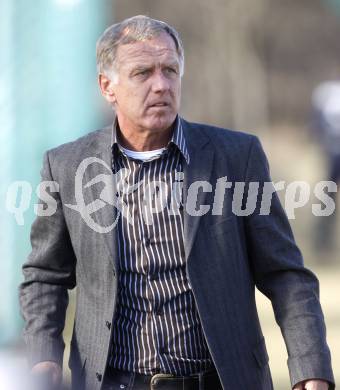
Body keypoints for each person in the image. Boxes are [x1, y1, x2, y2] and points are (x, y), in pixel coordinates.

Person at [19, 15, 335, 390]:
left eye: (170, 70)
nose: (161, 85)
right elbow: (45, 275)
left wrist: (311, 368)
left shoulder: (235, 157)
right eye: (142, 73)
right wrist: (43, 357)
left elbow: (285, 274)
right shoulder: (67, 166)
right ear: (108, 86)